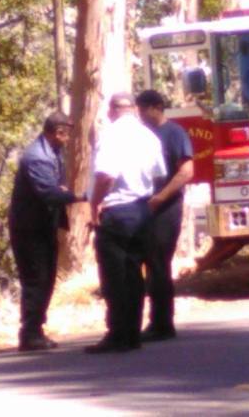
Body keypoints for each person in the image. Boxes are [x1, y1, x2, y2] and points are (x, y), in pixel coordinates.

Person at [86, 92, 167, 354]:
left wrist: (94, 203)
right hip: (141, 210)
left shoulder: (111, 135)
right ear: (132, 109)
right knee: (134, 274)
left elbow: (106, 175)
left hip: (117, 210)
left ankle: (117, 333)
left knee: (114, 275)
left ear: (112, 110)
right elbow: (159, 173)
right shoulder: (148, 136)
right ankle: (132, 332)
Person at [9, 111, 83, 352]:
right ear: (58, 132)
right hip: (30, 229)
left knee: (46, 278)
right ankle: (30, 333)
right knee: (36, 280)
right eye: (66, 134)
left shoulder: (53, 151)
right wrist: (80, 196)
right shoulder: (38, 158)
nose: (68, 139)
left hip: (43, 226)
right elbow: (49, 193)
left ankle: (36, 330)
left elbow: (56, 187)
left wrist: (61, 190)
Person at [135, 89, 194, 342]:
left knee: (159, 263)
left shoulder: (174, 133)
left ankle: (162, 323)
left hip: (167, 209)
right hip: (144, 207)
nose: (140, 114)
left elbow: (186, 171)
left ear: (156, 107)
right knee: (148, 262)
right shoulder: (142, 135)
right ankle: (151, 320)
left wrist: (162, 197)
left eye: (143, 109)